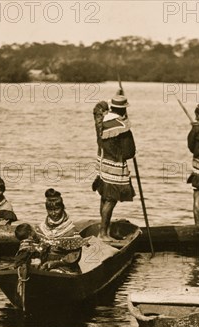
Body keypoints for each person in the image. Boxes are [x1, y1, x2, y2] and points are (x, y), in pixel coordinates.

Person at [91, 90, 136, 242]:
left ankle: (105, 231)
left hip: (103, 164)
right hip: (115, 167)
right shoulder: (122, 126)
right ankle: (103, 234)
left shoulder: (103, 121)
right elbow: (130, 151)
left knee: (105, 197)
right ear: (123, 109)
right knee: (111, 199)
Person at [36, 188, 84, 274]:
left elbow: (74, 255)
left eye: (57, 209)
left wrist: (56, 263)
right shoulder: (42, 228)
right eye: (50, 210)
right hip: (45, 265)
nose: (54, 213)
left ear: (62, 208)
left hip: (65, 266)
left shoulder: (71, 230)